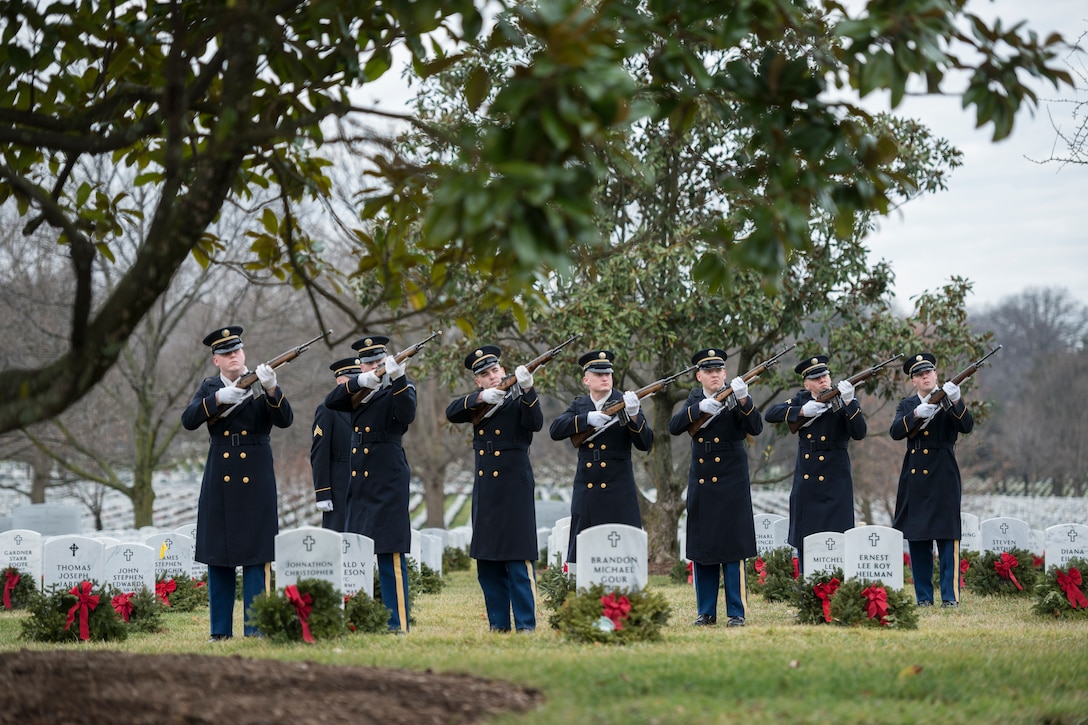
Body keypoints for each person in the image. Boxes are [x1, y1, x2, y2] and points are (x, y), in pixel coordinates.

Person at [181, 325, 294, 641]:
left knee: (257, 557)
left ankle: (256, 628)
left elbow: (285, 419)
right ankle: (219, 632)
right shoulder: (209, 387)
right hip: (220, 474)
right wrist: (218, 398)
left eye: (237, 350)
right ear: (216, 360)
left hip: (256, 474)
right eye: (225, 353)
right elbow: (189, 420)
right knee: (218, 557)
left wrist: (272, 389)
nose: (233, 356)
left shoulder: (261, 383)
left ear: (244, 353)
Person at [445, 345, 542, 632]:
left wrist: (528, 389)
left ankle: (526, 625)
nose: (492, 377)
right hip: (487, 491)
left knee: (517, 559)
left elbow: (535, 423)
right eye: (485, 375)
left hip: (514, 489)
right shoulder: (480, 403)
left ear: (504, 370)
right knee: (488, 562)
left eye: (495, 370)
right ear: (479, 381)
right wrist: (480, 398)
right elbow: (451, 412)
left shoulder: (519, 401)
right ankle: (498, 624)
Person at [324, 335, 415, 632]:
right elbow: (331, 401)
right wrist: (364, 381)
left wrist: (398, 377)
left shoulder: (399, 389)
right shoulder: (360, 392)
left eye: (379, 361)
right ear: (361, 366)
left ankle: (397, 621)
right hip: (359, 481)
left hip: (387, 479)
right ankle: (361, 617)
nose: (376, 366)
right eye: (369, 363)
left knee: (390, 553)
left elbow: (406, 414)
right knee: (359, 553)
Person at [668, 348, 763, 627]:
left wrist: (744, 399)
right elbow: (674, 426)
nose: (716, 375)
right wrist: (697, 410)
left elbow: (755, 427)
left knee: (733, 548)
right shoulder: (694, 399)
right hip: (702, 477)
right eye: (709, 371)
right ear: (699, 376)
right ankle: (706, 611)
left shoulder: (737, 394)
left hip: (732, 477)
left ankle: (737, 612)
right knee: (704, 547)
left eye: (720, 371)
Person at [549, 350, 653, 564]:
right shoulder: (580, 405)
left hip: (619, 487)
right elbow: (555, 430)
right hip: (588, 486)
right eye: (598, 374)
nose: (605, 377)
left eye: (608, 374)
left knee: (624, 549)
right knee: (582, 551)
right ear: (586, 379)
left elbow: (645, 443)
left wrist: (634, 415)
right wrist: (586, 419)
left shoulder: (626, 402)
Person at [764, 354, 866, 573]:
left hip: (836, 477)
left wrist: (850, 402)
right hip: (808, 479)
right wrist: (800, 411)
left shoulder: (842, 399)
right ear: (806, 383)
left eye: (825, 376)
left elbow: (860, 432)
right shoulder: (801, 400)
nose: (823, 381)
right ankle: (806, 585)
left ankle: (838, 586)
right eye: (817, 378)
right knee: (805, 536)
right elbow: (770, 414)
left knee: (837, 535)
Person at [890, 352, 974, 608]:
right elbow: (895, 432)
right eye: (919, 374)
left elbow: (966, 426)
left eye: (928, 372)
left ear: (936, 374)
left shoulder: (949, 399)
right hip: (915, 475)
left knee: (948, 537)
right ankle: (924, 597)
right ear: (913, 381)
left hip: (943, 473)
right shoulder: (906, 405)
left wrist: (956, 400)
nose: (925, 376)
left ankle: (950, 596)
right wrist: (916, 414)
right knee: (919, 537)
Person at [310, 356, 361, 532]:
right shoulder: (328, 409)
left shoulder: (366, 406)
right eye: (353, 379)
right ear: (340, 381)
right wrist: (322, 492)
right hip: (340, 487)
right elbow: (319, 452)